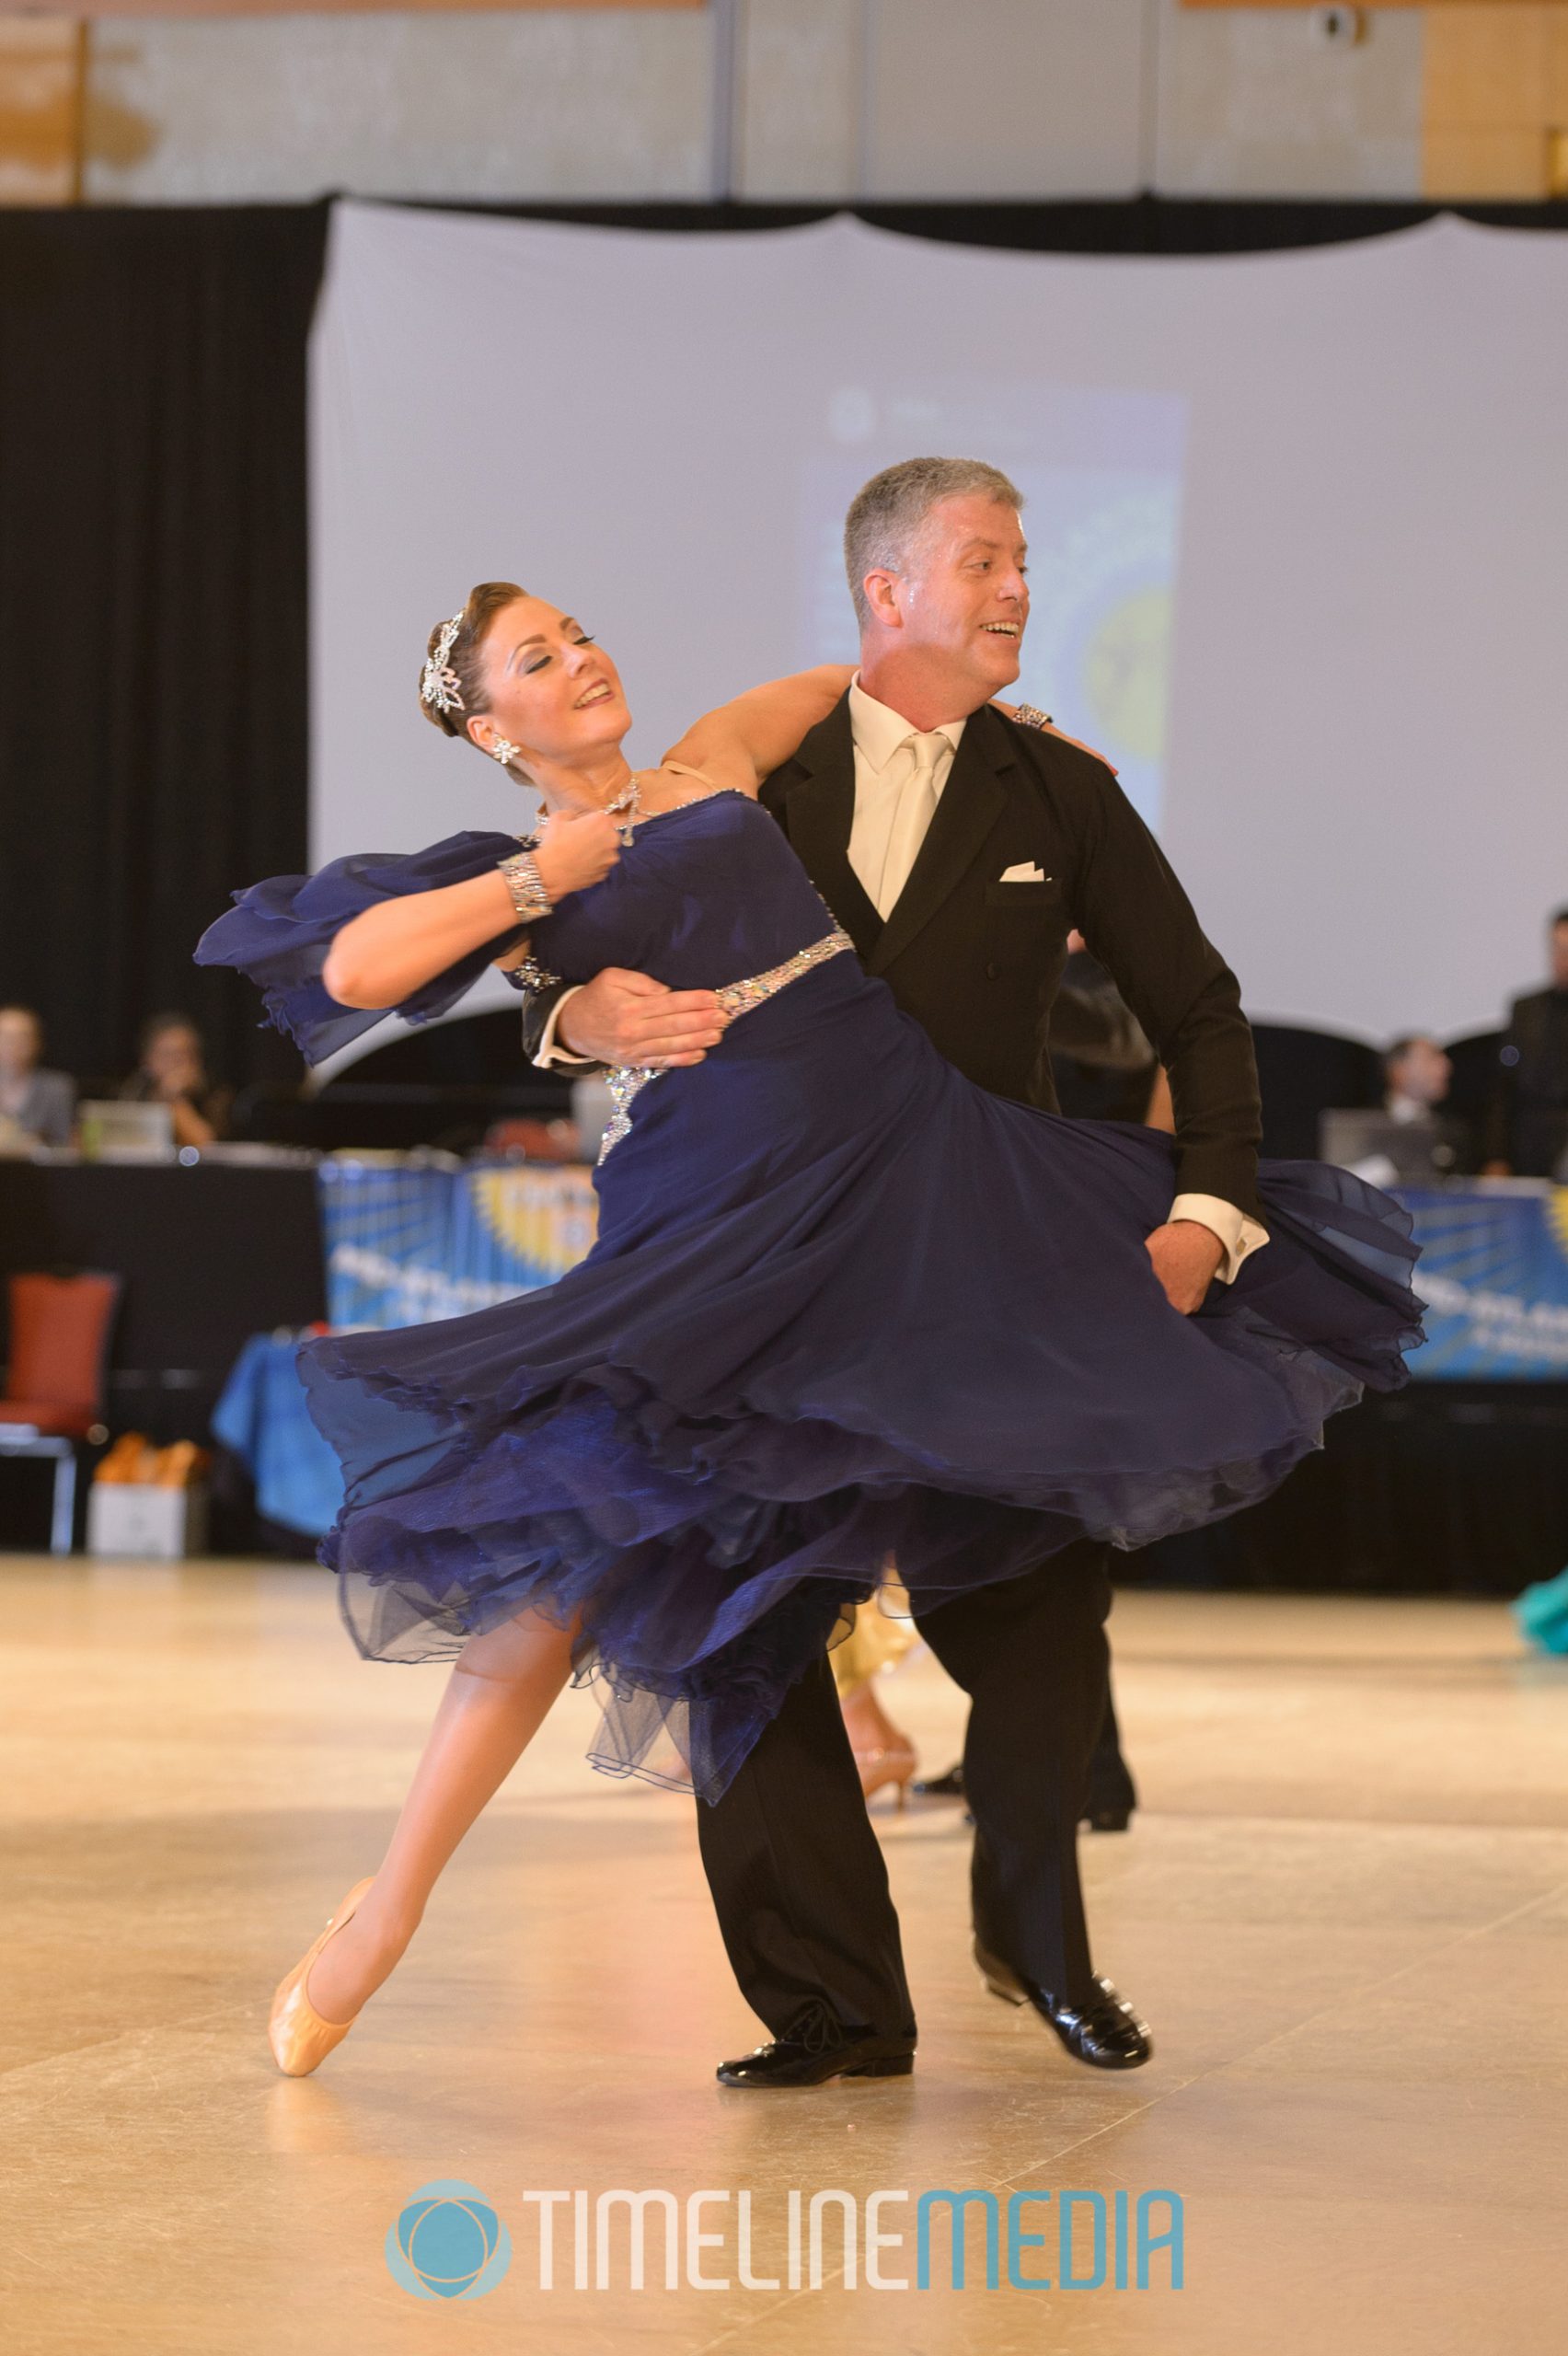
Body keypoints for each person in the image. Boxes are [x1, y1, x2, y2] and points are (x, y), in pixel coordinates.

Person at [196, 517, 1421, 2094]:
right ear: (492, 730)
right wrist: (542, 908)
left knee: (1009, 1483)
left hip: (903, 1147)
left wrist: (998, 717)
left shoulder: (714, 763)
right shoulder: (516, 868)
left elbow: (858, 683)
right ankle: (387, 1909)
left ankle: (1004, 1916)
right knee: (586, 1551)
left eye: (575, 631)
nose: (581, 661)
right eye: (536, 661)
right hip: (725, 1205)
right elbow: (357, 972)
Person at [1484, 908, 1568, 1178]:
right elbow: (1504, 1087)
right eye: (1556, 949)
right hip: (1529, 1147)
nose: (1562, 960)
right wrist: (1496, 1156)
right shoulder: (1526, 1009)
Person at [1320, 1034, 1469, 1186]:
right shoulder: (1359, 1127)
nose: (1446, 1066)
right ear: (1399, 1069)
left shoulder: (1454, 1129)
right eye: (1431, 1058)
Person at [119, 1012, 231, 1149]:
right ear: (147, 1061)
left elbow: (206, 1145)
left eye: (185, 1054)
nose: (177, 1063)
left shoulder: (214, 1095)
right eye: (168, 1055)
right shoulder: (135, 1092)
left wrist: (174, 1099)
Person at [0, 1005, 75, 1149]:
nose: (12, 1045)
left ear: (36, 1042)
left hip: (39, 1169)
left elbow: (65, 1144)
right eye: (5, 1037)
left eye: (21, 1037)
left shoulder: (56, 1088)